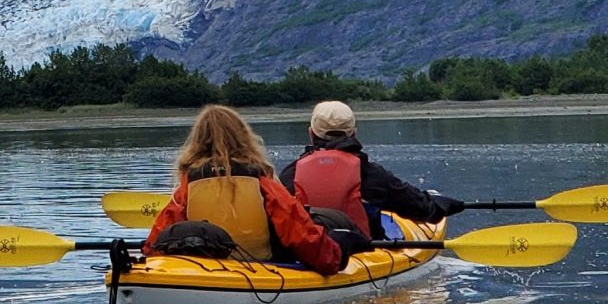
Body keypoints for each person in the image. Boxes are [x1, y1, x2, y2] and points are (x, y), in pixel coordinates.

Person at [144, 104, 348, 274]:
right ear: (243, 137)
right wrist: (333, 259)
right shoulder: (261, 182)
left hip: (207, 270)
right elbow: (300, 233)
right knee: (346, 238)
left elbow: (155, 245)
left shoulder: (187, 187)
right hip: (261, 268)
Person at [280, 99, 465, 242]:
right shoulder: (370, 173)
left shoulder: (289, 175)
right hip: (363, 251)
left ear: (311, 134)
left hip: (308, 253)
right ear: (353, 133)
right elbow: (419, 208)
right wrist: (439, 206)